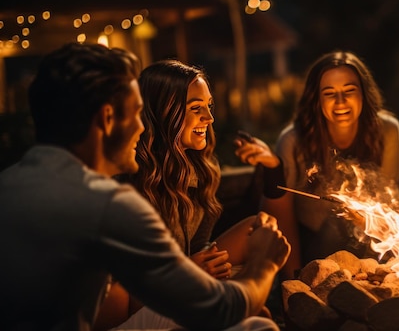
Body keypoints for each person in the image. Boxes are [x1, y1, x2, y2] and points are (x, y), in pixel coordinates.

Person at [0, 42, 289, 331]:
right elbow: (219, 308)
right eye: (137, 112)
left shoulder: (10, 181)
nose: (143, 127)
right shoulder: (107, 202)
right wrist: (263, 264)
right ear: (107, 118)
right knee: (259, 326)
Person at [99, 59, 283, 329]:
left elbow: (197, 249)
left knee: (261, 228)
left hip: (177, 283)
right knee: (258, 319)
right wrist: (190, 273)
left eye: (208, 106)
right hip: (132, 314)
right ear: (163, 114)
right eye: (196, 109)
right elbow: (121, 303)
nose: (209, 118)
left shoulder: (202, 171)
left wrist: (200, 268)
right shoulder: (128, 185)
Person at [237, 50, 399, 280]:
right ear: (316, 100)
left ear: (363, 94)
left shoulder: (387, 130)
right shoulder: (293, 140)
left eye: (349, 91)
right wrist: (294, 279)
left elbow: (388, 201)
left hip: (371, 237)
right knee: (334, 223)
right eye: (330, 94)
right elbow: (282, 214)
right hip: (313, 244)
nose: (341, 102)